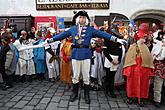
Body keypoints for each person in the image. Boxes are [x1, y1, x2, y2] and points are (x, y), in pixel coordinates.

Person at [47, 10, 126, 104]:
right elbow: (61, 35)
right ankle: (74, 93)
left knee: (86, 76)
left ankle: (86, 95)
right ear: (77, 19)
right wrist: (50, 40)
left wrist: (116, 39)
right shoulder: (72, 29)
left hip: (86, 55)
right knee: (75, 76)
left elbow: (103, 34)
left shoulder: (90, 29)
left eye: (84, 17)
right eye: (80, 17)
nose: (82, 19)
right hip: (76, 55)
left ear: (86, 19)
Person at [123, 23, 154, 106]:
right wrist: (128, 70)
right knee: (132, 83)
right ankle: (130, 96)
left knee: (143, 84)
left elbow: (148, 59)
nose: (143, 38)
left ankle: (141, 98)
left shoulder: (147, 47)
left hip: (143, 69)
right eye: (142, 37)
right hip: (133, 69)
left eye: (144, 37)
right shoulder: (133, 47)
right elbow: (129, 59)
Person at [151, 31, 165, 108]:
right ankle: (157, 100)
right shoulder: (158, 45)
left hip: (161, 68)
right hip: (159, 68)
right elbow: (155, 56)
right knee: (158, 84)